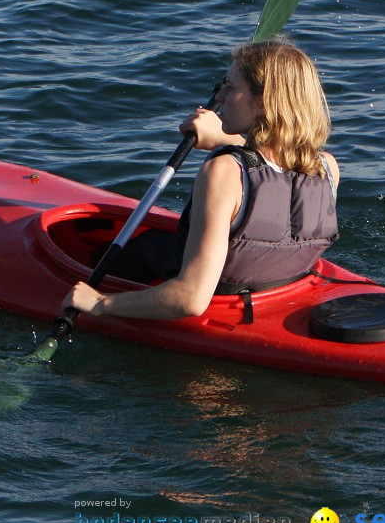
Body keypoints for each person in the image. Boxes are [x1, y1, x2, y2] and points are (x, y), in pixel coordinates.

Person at [61, 39, 339, 320]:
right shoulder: (326, 168)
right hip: (284, 295)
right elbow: (275, 168)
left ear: (264, 102)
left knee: (148, 247)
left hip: (226, 310)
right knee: (159, 243)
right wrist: (224, 138)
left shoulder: (224, 172)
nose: (219, 97)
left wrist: (100, 303)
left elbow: (190, 299)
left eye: (230, 88)